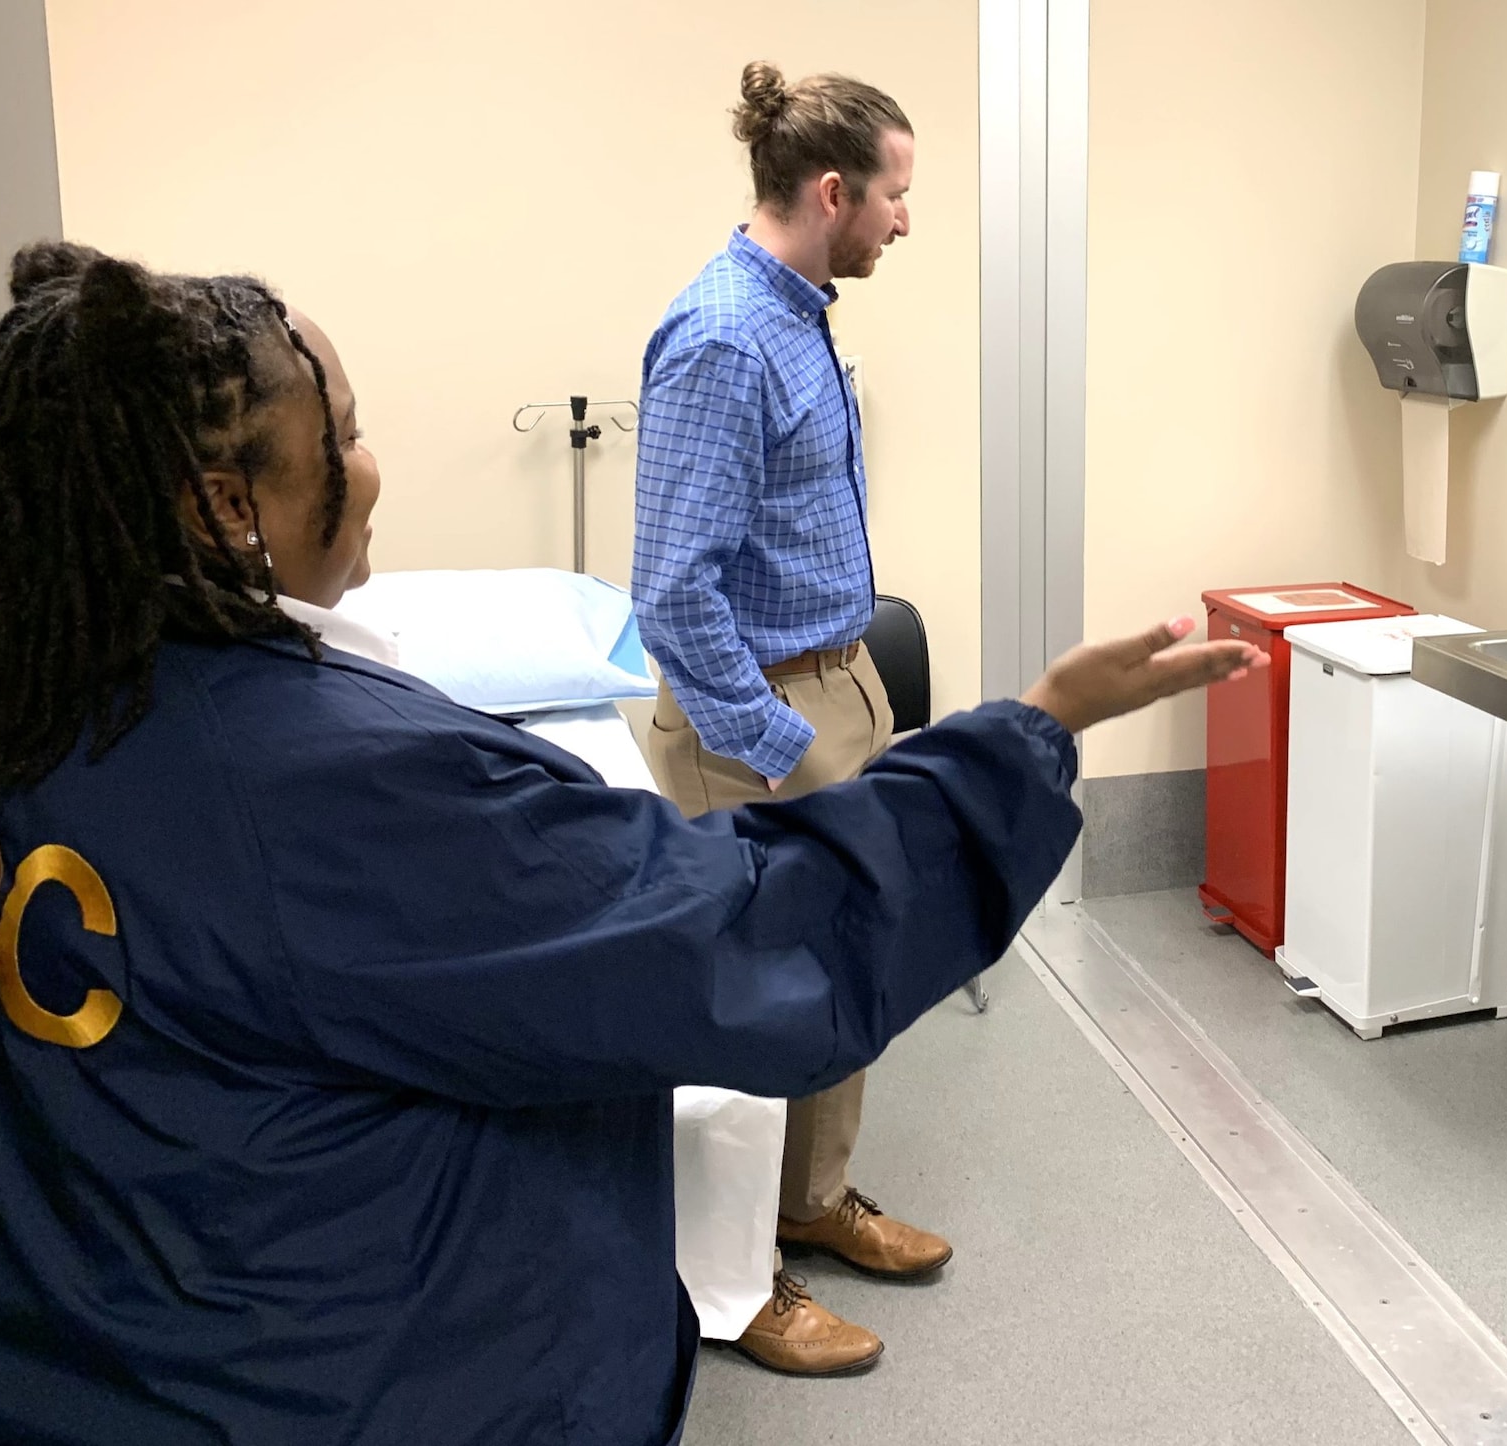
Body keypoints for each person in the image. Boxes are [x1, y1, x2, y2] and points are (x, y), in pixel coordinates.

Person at [0, 242, 1260, 1446]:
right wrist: (1031, 732)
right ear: (220, 506)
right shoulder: (345, 797)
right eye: (350, 429)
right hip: (351, 1386)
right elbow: (759, 938)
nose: (374, 465)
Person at [629, 60, 944, 1377]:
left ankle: (811, 1203)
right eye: (894, 194)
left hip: (836, 676)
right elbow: (670, 591)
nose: (903, 220)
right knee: (753, 1007)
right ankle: (732, 1283)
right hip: (753, 720)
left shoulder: (800, 309)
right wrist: (784, 746)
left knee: (846, 965)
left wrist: (854, 702)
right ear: (831, 191)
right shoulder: (719, 339)